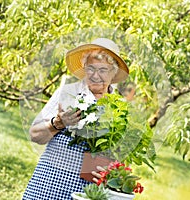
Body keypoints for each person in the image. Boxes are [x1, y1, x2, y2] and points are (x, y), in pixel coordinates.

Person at [22, 38, 129, 199]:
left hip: (88, 192)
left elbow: (121, 156)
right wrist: (58, 123)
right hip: (48, 185)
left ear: (113, 73)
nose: (95, 75)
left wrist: (111, 168)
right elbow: (35, 134)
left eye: (103, 70)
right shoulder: (68, 93)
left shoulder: (119, 106)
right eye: (91, 68)